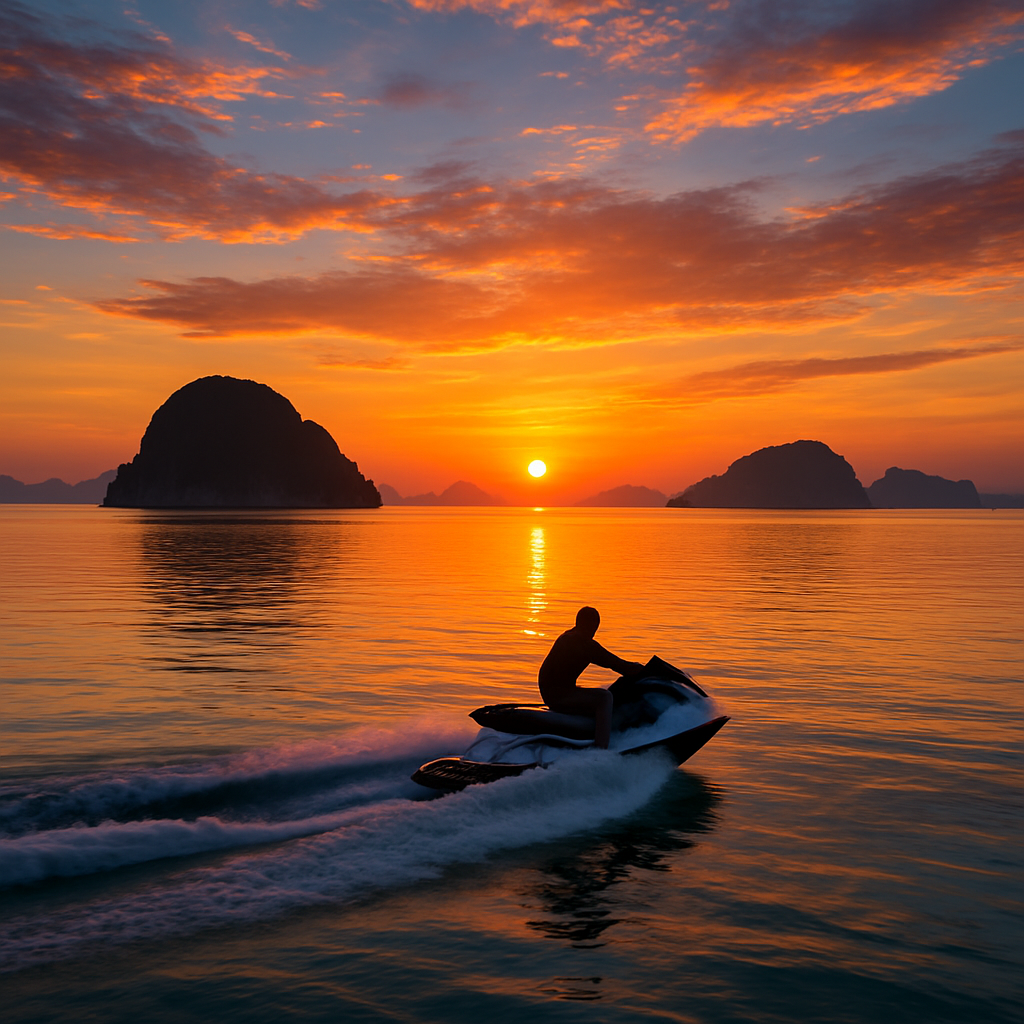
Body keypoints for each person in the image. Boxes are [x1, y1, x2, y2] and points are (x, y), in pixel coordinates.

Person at [538, 606, 644, 749]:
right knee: (605, 697)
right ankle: (601, 748)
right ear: (592, 625)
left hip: (554, 692)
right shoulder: (583, 643)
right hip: (558, 696)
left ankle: (592, 732)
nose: (594, 631)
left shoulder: (568, 636)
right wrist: (645, 669)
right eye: (594, 626)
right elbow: (618, 665)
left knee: (601, 693)